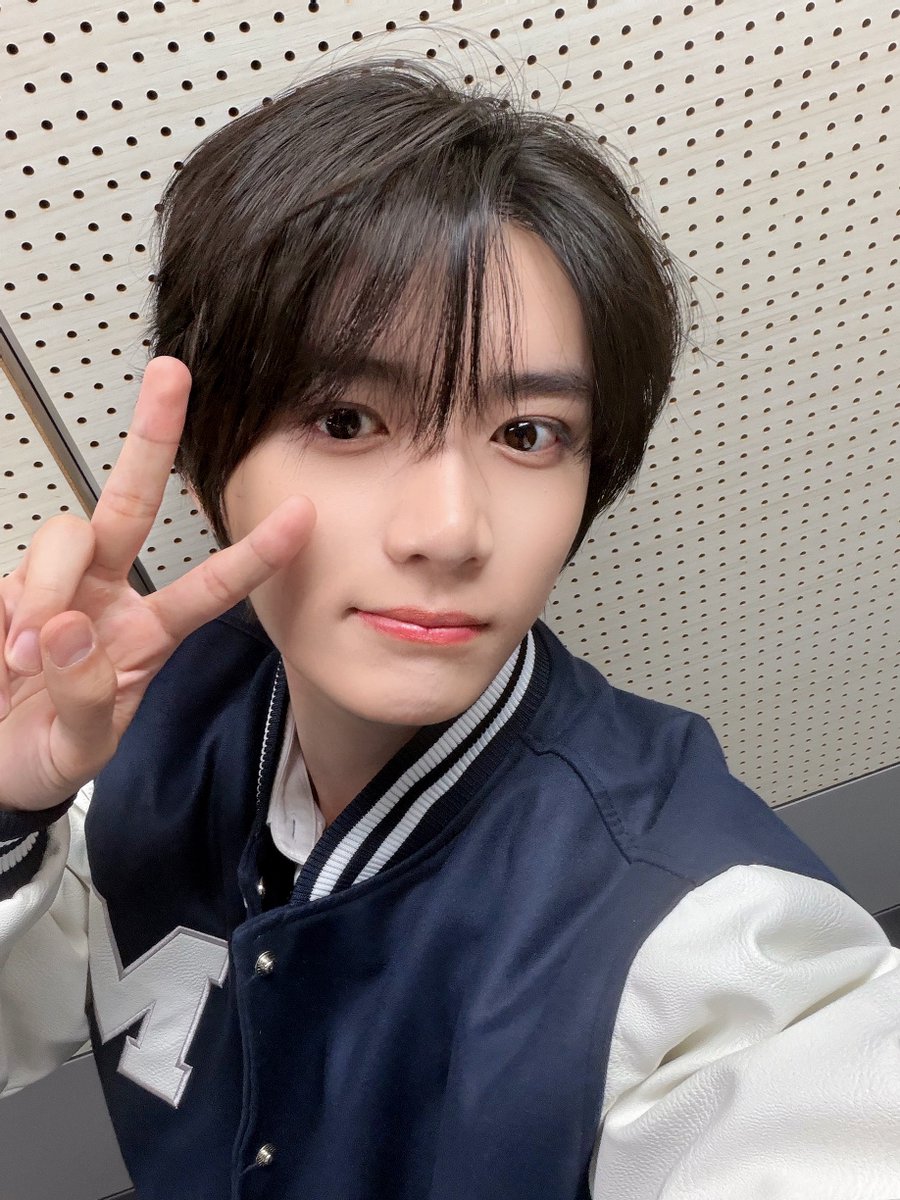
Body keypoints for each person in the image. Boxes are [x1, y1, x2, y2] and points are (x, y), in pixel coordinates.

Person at [1, 53, 898, 1200]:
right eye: (346, 417)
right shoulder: (127, 728)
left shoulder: (688, 927)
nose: (451, 529)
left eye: (527, 434)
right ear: (204, 464)